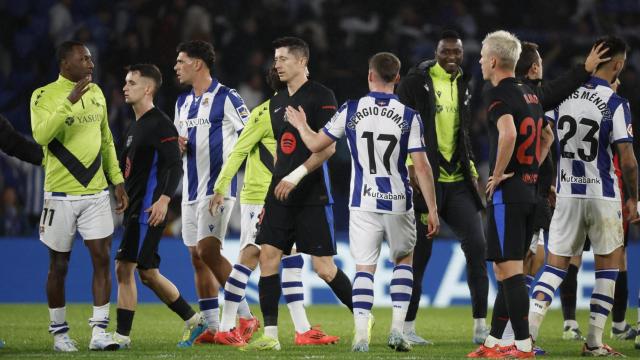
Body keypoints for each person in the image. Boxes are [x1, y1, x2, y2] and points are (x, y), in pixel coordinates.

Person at [286, 52, 440, 352]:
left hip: (363, 201)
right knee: (403, 262)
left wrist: (302, 125)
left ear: (370, 76)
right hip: (398, 202)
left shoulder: (351, 109)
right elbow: (421, 166)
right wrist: (432, 209)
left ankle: (361, 335)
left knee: (364, 269)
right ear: (397, 78)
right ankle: (397, 330)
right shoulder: (410, 116)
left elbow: (317, 144)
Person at [528, 36, 639, 357]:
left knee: (554, 266)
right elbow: (628, 159)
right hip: (603, 195)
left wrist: (543, 180)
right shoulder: (617, 103)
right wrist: (635, 198)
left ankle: (527, 338)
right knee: (608, 267)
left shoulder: (563, 96)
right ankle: (593, 341)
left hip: (566, 193)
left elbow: (544, 138)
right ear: (617, 64)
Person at [210, 67, 336, 346]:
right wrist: (221, 187)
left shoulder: (291, 112)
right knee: (250, 258)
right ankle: (226, 325)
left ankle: (303, 330)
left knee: (292, 260)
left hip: (283, 199)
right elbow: (239, 150)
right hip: (260, 197)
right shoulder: (266, 113)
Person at [245, 36, 353, 351]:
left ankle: (363, 318)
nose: (276, 64)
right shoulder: (277, 101)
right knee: (268, 258)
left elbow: (329, 147)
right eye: (275, 59)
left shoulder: (322, 96)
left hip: (312, 193)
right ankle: (271, 336)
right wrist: (276, 183)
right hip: (280, 194)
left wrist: (296, 175)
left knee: (323, 267)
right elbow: (283, 150)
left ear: (301, 61)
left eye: (282, 58)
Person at [29, 40, 128, 352]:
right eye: (84, 58)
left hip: (97, 193)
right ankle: (60, 335)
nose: (90, 63)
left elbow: (106, 139)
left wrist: (117, 180)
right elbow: (41, 136)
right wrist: (68, 101)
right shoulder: (43, 95)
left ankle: (99, 332)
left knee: (102, 258)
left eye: (90, 58)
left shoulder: (97, 92)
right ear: (65, 63)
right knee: (58, 266)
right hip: (59, 195)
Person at [396, 30, 488, 344]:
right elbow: (400, 127)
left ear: (463, 55)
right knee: (418, 258)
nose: (451, 57)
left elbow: (462, 134)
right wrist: (409, 165)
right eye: (445, 52)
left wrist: (473, 170)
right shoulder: (414, 83)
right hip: (425, 182)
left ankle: (480, 327)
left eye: (456, 53)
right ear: (436, 52)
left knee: (477, 247)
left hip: (459, 181)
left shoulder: (465, 82)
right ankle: (407, 329)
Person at [467, 30, 555, 358]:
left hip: (510, 193)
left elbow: (508, 133)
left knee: (508, 271)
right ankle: (493, 343)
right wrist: (529, 165)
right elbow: (546, 136)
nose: (479, 61)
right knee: (510, 268)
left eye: (481, 57)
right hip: (530, 189)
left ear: (492, 60)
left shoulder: (498, 94)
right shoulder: (530, 94)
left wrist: (499, 172)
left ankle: (522, 346)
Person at [111, 64, 205, 349]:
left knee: (124, 268)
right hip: (135, 208)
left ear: (148, 89)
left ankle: (121, 337)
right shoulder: (135, 126)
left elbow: (174, 165)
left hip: (148, 211)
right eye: (125, 82)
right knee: (148, 274)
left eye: (132, 82)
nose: (125, 87)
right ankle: (193, 320)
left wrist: (164, 199)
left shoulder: (159, 123)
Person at [173, 40, 254, 345]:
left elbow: (250, 136)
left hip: (218, 190)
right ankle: (212, 324)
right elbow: (181, 141)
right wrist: (178, 145)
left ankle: (245, 317)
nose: (176, 67)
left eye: (181, 61)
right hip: (190, 191)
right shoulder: (182, 103)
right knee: (196, 257)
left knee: (209, 251)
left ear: (197, 64)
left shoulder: (228, 97)